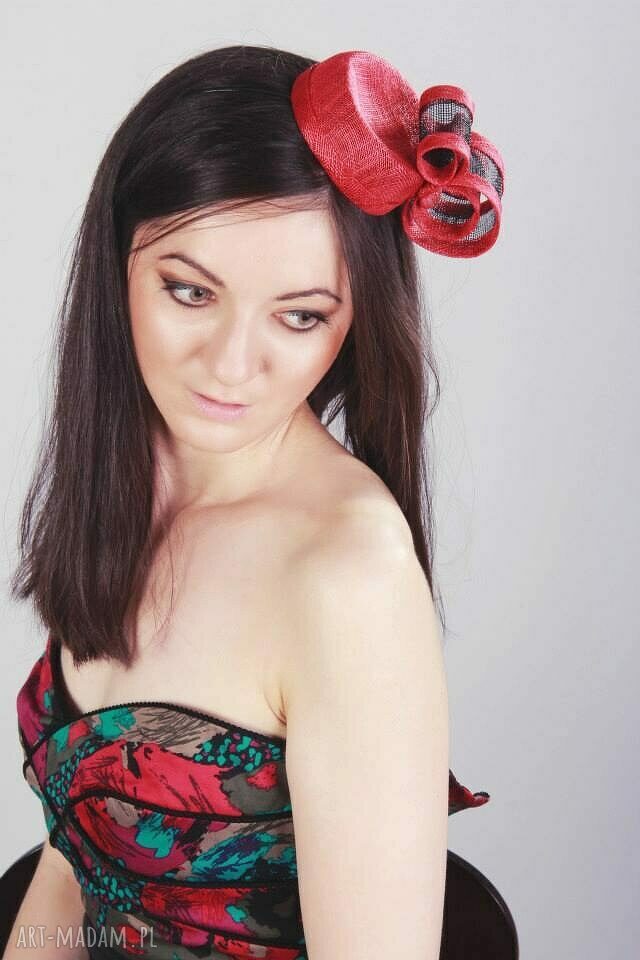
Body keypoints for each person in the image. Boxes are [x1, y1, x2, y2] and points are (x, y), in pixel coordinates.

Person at [7, 43, 501, 960]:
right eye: (190, 292)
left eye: (300, 315)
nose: (232, 367)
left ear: (354, 321)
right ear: (115, 265)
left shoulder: (344, 577)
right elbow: (73, 864)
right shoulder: (131, 468)